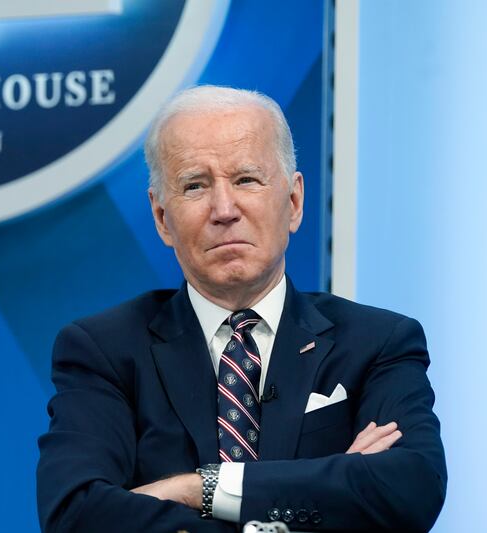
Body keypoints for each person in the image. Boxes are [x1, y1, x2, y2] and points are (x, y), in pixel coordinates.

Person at [36, 86, 446, 532]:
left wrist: (200, 488)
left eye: (247, 179)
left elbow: (411, 488)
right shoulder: (104, 351)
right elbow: (76, 516)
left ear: (293, 201)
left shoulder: (377, 342)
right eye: (195, 185)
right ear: (161, 218)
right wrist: (330, 492)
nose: (224, 209)